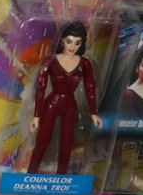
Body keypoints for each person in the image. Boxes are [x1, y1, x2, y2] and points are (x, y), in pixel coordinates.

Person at [27, 22, 102, 173]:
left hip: (70, 106)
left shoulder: (84, 63)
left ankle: (62, 177)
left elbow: (90, 88)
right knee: (42, 142)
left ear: (82, 44)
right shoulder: (50, 60)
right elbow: (40, 88)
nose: (72, 46)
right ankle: (31, 173)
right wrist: (36, 116)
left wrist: (94, 113)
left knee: (67, 144)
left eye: (77, 43)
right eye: (69, 41)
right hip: (52, 103)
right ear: (62, 41)